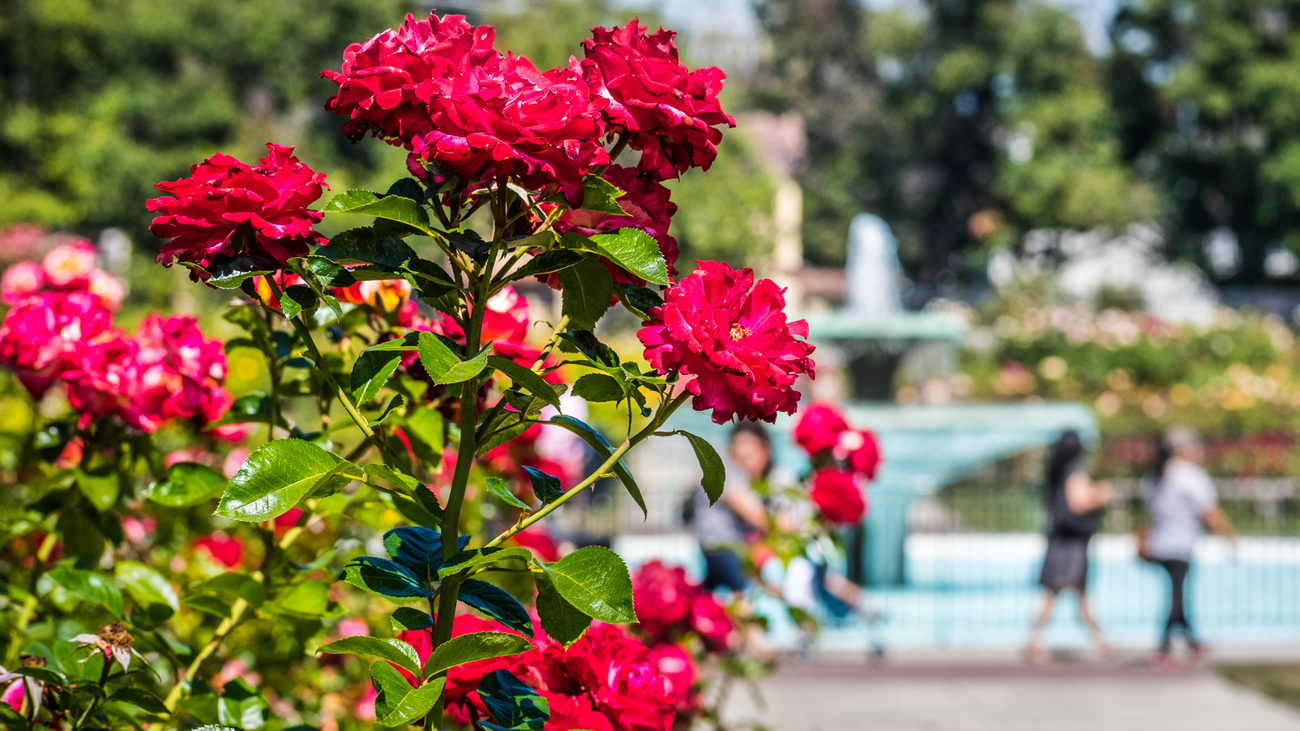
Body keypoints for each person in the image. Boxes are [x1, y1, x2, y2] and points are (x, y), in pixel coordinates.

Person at [1140, 426, 1236, 671]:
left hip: (1160, 543)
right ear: (1183, 449)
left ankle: (1193, 642)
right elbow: (1209, 511)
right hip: (1179, 544)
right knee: (1177, 596)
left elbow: (1150, 512)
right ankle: (1163, 648)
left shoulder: (1157, 475)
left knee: (1178, 594)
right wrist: (1229, 535)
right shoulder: (1190, 475)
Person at [1024, 430, 1113, 664]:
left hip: (1061, 540)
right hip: (1071, 544)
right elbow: (1079, 503)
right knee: (1057, 595)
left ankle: (1101, 641)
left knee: (1077, 595)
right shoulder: (1075, 472)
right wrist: (1100, 494)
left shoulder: (1056, 473)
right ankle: (1034, 641)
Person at [684, 422, 770, 592]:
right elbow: (756, 514)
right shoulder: (728, 473)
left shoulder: (736, 474)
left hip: (714, 548)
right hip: (723, 547)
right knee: (743, 597)